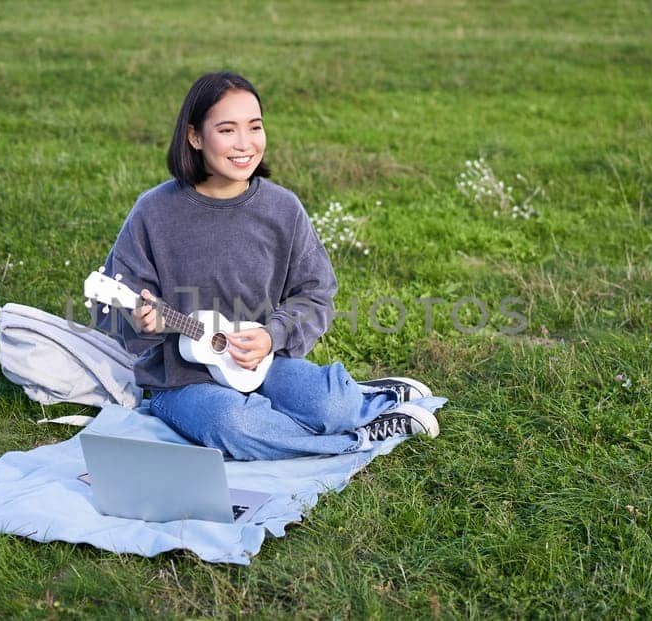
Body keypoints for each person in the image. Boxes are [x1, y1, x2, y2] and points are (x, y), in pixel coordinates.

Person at [95, 71, 439, 461]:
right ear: (194, 137)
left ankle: (369, 401)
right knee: (234, 425)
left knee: (331, 407)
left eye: (254, 127)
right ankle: (358, 440)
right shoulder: (154, 212)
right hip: (181, 381)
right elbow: (110, 310)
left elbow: (316, 292)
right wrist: (140, 323)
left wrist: (273, 335)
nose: (244, 144)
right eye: (227, 130)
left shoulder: (281, 208)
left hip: (263, 362)